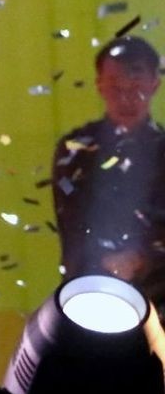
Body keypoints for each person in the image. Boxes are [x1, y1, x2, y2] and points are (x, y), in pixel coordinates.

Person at [53, 35, 165, 309]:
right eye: (115, 85)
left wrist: (142, 258)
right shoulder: (75, 149)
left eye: (135, 85)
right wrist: (106, 260)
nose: (125, 94)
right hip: (92, 295)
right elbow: (72, 222)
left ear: (155, 83)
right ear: (100, 85)